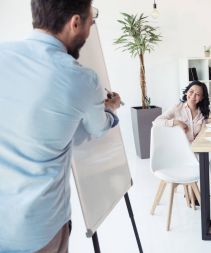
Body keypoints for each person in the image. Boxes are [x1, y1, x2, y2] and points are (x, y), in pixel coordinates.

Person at [0, 1, 121, 252]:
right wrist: (110, 109)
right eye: (92, 19)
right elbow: (97, 129)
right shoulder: (83, 78)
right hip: (38, 228)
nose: (90, 27)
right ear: (75, 22)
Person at [153, 81, 211, 204]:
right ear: (186, 92)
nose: (193, 96)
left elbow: (204, 130)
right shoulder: (177, 108)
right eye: (191, 92)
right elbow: (157, 122)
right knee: (193, 164)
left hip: (196, 147)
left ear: (202, 98)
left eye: (198, 94)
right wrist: (175, 122)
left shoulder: (203, 111)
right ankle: (191, 191)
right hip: (181, 150)